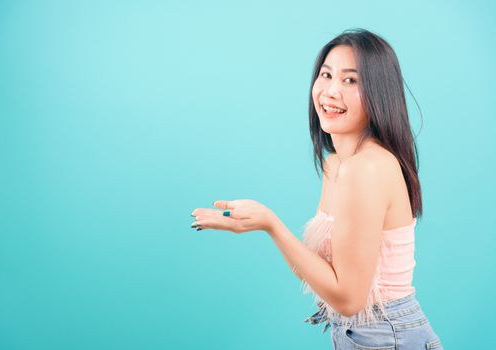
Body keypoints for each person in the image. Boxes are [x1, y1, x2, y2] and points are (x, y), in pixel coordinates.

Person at [190, 28, 443, 350]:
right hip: (360, 335)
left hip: (388, 335)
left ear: (379, 93)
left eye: (351, 80)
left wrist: (271, 225)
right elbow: (328, 281)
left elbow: (349, 299)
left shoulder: (366, 168)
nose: (331, 91)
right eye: (326, 75)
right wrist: (260, 225)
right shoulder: (336, 164)